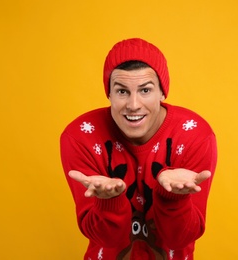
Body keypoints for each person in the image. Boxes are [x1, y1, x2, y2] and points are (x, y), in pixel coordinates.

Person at [60, 38, 217, 260]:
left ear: (162, 92)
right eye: (122, 91)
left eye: (145, 90)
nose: (133, 105)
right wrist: (108, 201)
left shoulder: (194, 135)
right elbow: (105, 239)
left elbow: (180, 239)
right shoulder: (80, 136)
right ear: (109, 94)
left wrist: (175, 198)